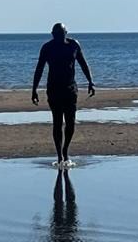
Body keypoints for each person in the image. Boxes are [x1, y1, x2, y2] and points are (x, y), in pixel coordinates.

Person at [31, 22, 95, 167]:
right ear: (52, 34)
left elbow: (83, 64)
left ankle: (65, 149)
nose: (58, 36)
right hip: (54, 89)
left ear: (66, 33)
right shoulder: (47, 48)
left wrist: (91, 81)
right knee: (57, 122)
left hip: (70, 89)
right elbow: (39, 69)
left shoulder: (74, 45)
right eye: (56, 34)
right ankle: (60, 155)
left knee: (71, 123)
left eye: (61, 34)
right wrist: (34, 89)